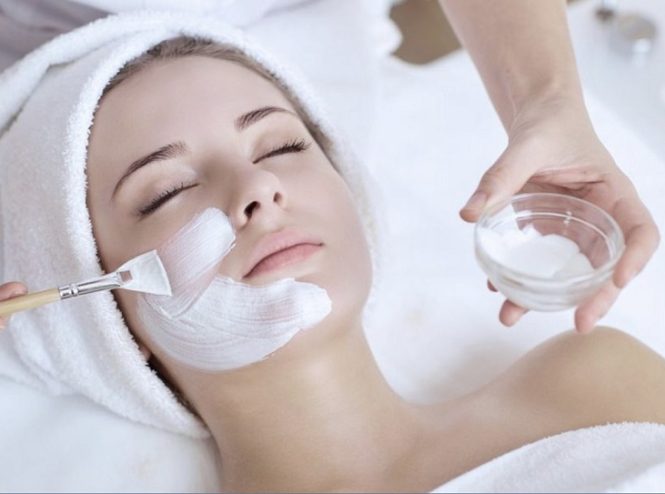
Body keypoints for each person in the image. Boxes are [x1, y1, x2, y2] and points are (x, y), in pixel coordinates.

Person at [3, 35, 665, 492]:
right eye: (167, 191)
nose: (256, 190)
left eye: (281, 145)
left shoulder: (590, 379)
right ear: (106, 323)